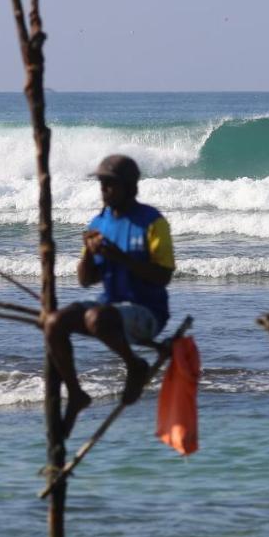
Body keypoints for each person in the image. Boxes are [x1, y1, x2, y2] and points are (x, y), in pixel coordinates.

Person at [45, 154, 175, 436]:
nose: (104, 190)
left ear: (129, 187)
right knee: (54, 323)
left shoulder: (152, 223)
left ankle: (135, 366)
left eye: (111, 185)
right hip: (108, 308)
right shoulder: (98, 224)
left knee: (97, 318)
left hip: (148, 313)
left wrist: (122, 258)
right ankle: (76, 393)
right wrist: (89, 257)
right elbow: (85, 281)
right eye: (102, 184)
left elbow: (164, 276)